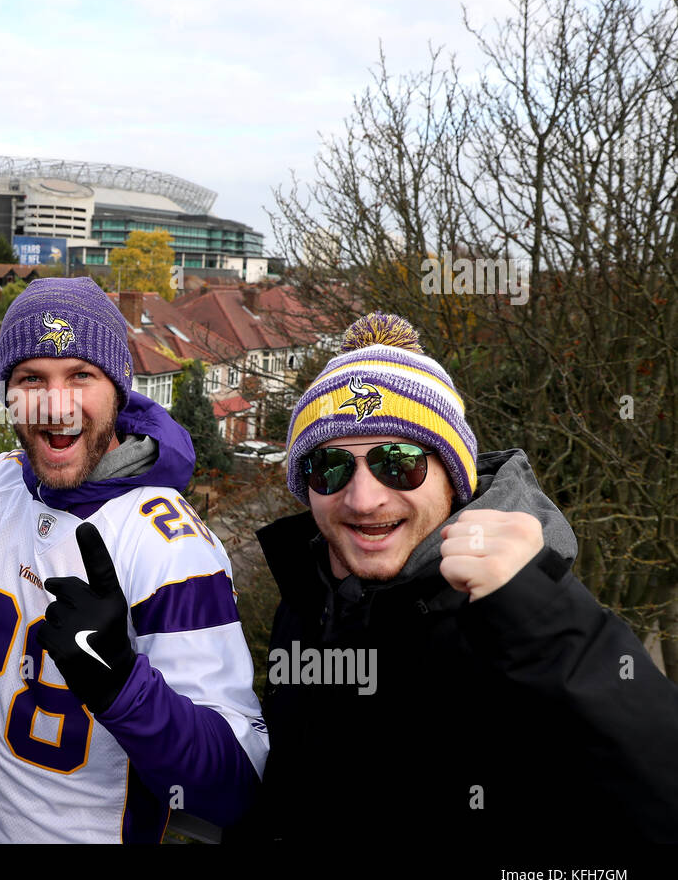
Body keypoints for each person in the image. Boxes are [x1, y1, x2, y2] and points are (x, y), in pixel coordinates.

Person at [241, 312, 678, 842]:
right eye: (330, 466)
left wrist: (546, 613)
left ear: (455, 477)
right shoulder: (310, 602)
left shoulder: (519, 621)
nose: (363, 499)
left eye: (398, 462)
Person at [0, 276, 268, 843]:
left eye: (80, 376)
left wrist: (124, 689)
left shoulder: (169, 544)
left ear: (118, 389)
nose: (56, 405)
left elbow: (235, 784)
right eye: (31, 379)